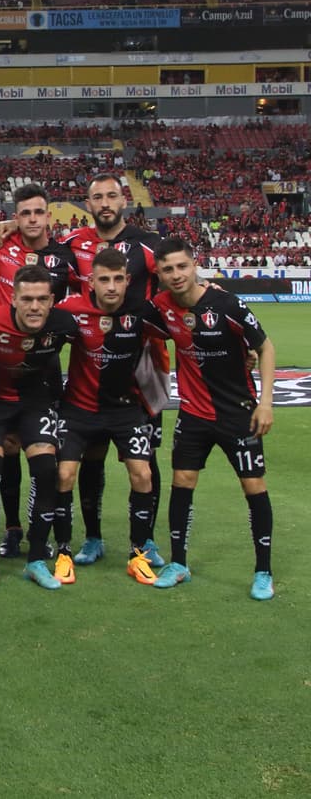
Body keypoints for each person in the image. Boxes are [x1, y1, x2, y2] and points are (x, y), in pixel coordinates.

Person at [142, 237, 276, 600]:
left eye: (181, 266)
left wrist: (266, 403)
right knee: (182, 482)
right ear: (160, 273)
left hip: (239, 414)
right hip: (193, 414)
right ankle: (178, 563)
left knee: (254, 487)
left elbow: (264, 347)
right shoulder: (161, 306)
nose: (176, 274)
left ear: (194, 264)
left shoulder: (227, 303)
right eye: (167, 269)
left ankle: (263, 571)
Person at [63, 173, 165, 567]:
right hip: (93, 354)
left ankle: (148, 540)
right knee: (92, 452)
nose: (105, 203)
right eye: (96, 197)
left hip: (144, 360)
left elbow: (180, 275)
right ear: (87, 204)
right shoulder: (75, 246)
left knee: (146, 457)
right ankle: (92, 538)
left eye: (111, 196)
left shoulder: (148, 244)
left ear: (123, 201)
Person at [0, 265, 79, 590]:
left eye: (42, 299)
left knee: (46, 471)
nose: (35, 307)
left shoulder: (64, 324)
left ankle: (36, 560)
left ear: (52, 300)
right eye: (27, 299)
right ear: (13, 299)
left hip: (34, 402)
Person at [55, 248, 158, 585]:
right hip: (79, 409)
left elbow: (188, 324)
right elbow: (35, 328)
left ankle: (138, 554)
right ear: (91, 282)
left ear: (128, 281)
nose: (111, 286)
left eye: (117, 279)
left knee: (143, 474)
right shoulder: (71, 310)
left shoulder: (143, 312)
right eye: (104, 279)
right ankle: (66, 551)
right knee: (66, 474)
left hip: (124, 410)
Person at [0, 184, 76, 559]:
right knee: (7, 454)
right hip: (1, 366)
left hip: (45, 366)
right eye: (25, 213)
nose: (33, 219)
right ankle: (12, 529)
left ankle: (48, 531)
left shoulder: (66, 256)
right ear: (16, 216)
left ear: (48, 215)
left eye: (39, 212)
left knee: (44, 455)